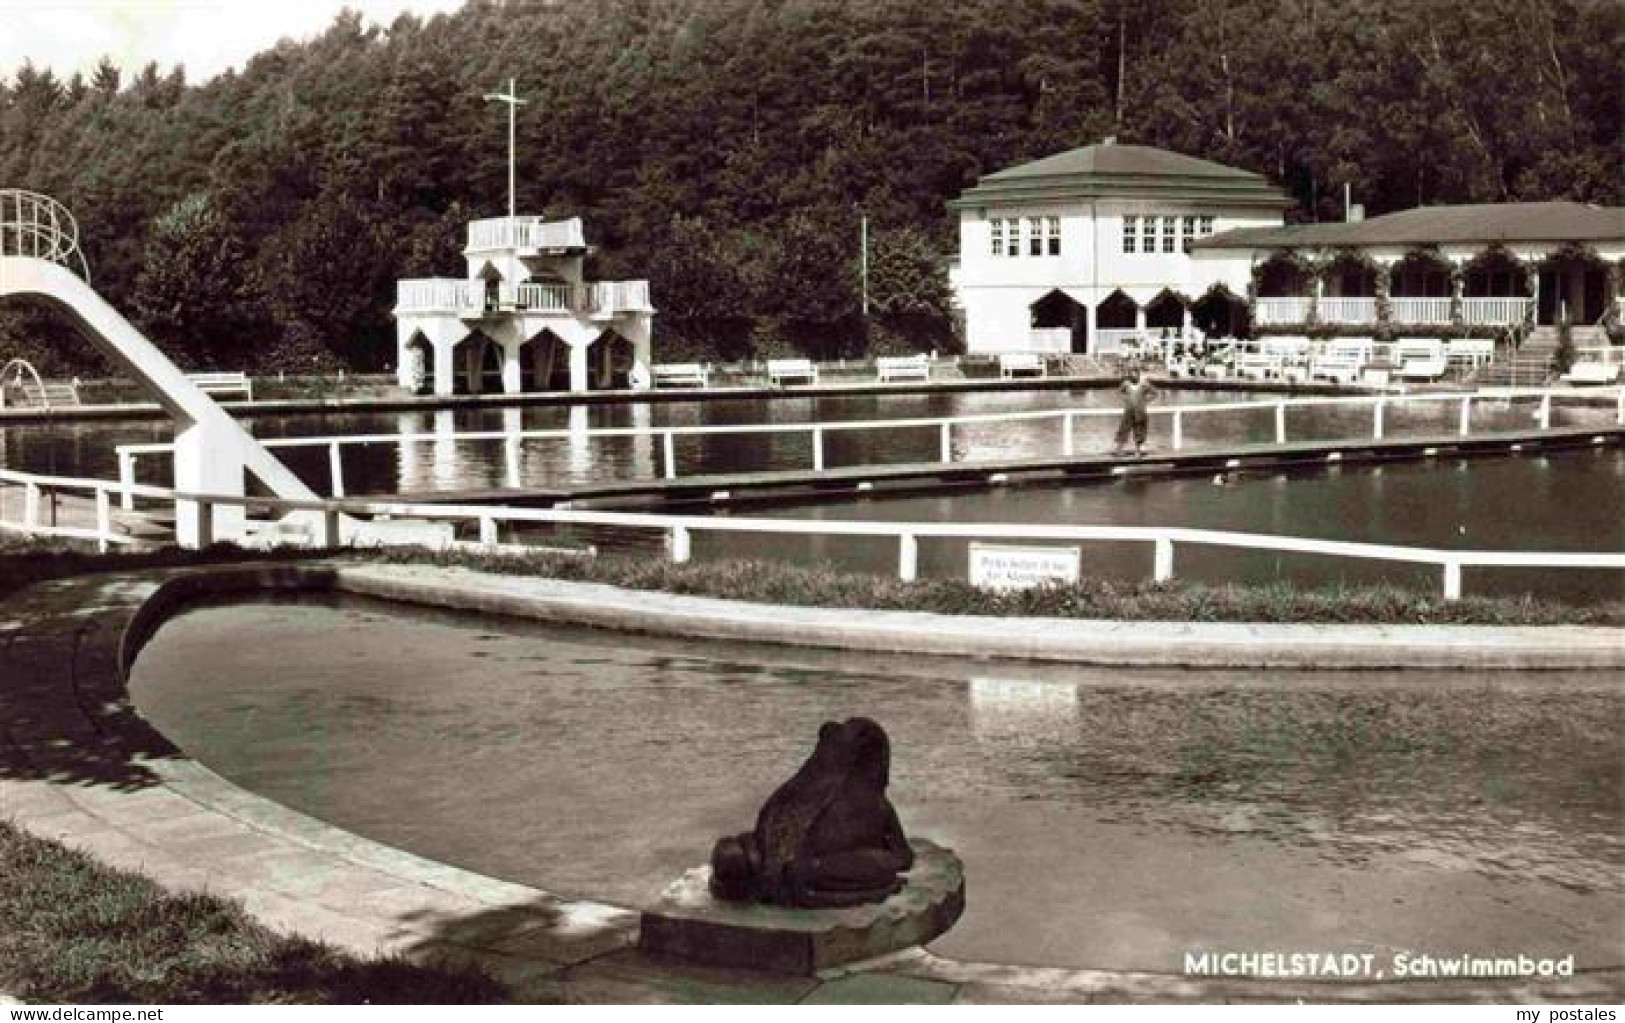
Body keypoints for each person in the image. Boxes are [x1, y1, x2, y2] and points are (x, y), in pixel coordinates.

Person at [1113, 365, 1159, 457]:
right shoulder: (1126, 384)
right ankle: (1119, 450)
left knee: (1139, 430)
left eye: (1135, 373)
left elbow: (1155, 393)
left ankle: (1137, 451)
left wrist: (1146, 401)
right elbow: (1118, 392)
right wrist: (1125, 399)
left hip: (1140, 411)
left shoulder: (1144, 384)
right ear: (1129, 375)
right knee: (1123, 429)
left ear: (1138, 374)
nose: (1134, 376)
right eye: (1131, 374)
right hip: (1128, 411)